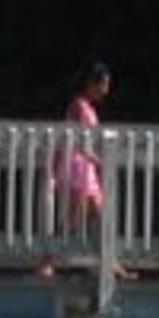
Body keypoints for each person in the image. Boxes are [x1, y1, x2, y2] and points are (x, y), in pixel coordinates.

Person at [45, 60, 116, 279]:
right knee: (71, 221)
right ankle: (46, 261)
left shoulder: (89, 107)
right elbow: (71, 139)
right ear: (92, 83)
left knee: (103, 215)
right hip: (77, 167)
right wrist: (94, 158)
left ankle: (110, 263)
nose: (106, 89)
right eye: (104, 84)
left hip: (87, 169)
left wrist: (94, 159)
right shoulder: (78, 105)